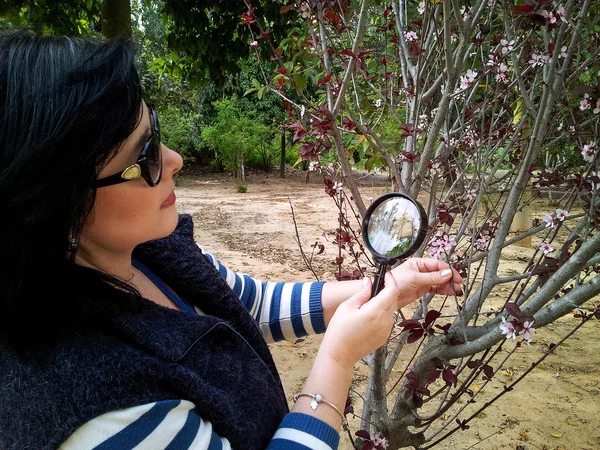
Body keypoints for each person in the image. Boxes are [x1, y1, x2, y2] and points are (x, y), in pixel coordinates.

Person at [0, 31, 462, 450]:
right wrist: (337, 360)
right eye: (145, 155)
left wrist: (388, 287)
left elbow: (246, 304)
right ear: (55, 204)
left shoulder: (147, 252)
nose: (176, 159)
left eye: (154, 130)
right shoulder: (101, 409)